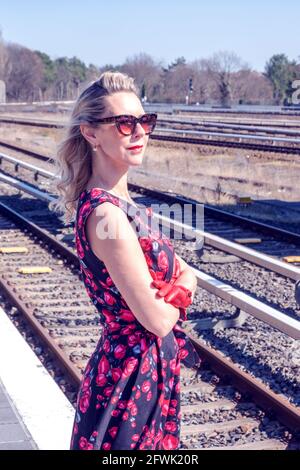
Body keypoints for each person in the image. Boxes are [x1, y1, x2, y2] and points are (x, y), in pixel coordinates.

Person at [53, 71, 202, 450]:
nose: (139, 132)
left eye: (144, 121)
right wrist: (185, 286)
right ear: (91, 133)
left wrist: (178, 284)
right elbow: (156, 318)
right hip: (130, 384)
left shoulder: (123, 204)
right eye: (124, 123)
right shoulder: (107, 216)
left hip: (145, 374)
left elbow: (179, 275)